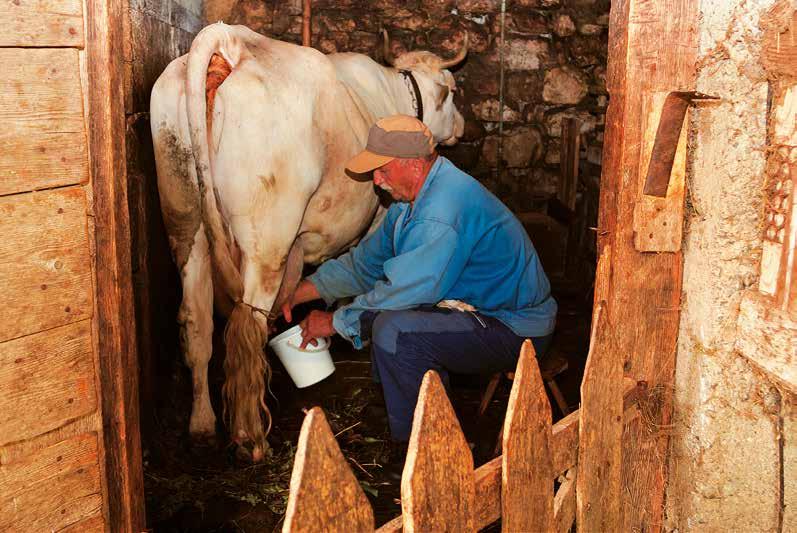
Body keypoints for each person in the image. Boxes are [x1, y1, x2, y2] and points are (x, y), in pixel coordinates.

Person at [281, 114, 557, 449]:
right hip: (477, 311)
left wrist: (336, 322)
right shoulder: (410, 201)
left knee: (395, 330)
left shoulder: (439, 211)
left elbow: (402, 292)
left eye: (383, 170)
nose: (377, 181)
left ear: (413, 163)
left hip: (515, 327)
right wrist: (299, 293)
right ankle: (401, 409)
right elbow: (366, 264)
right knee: (388, 320)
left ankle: (431, 450)